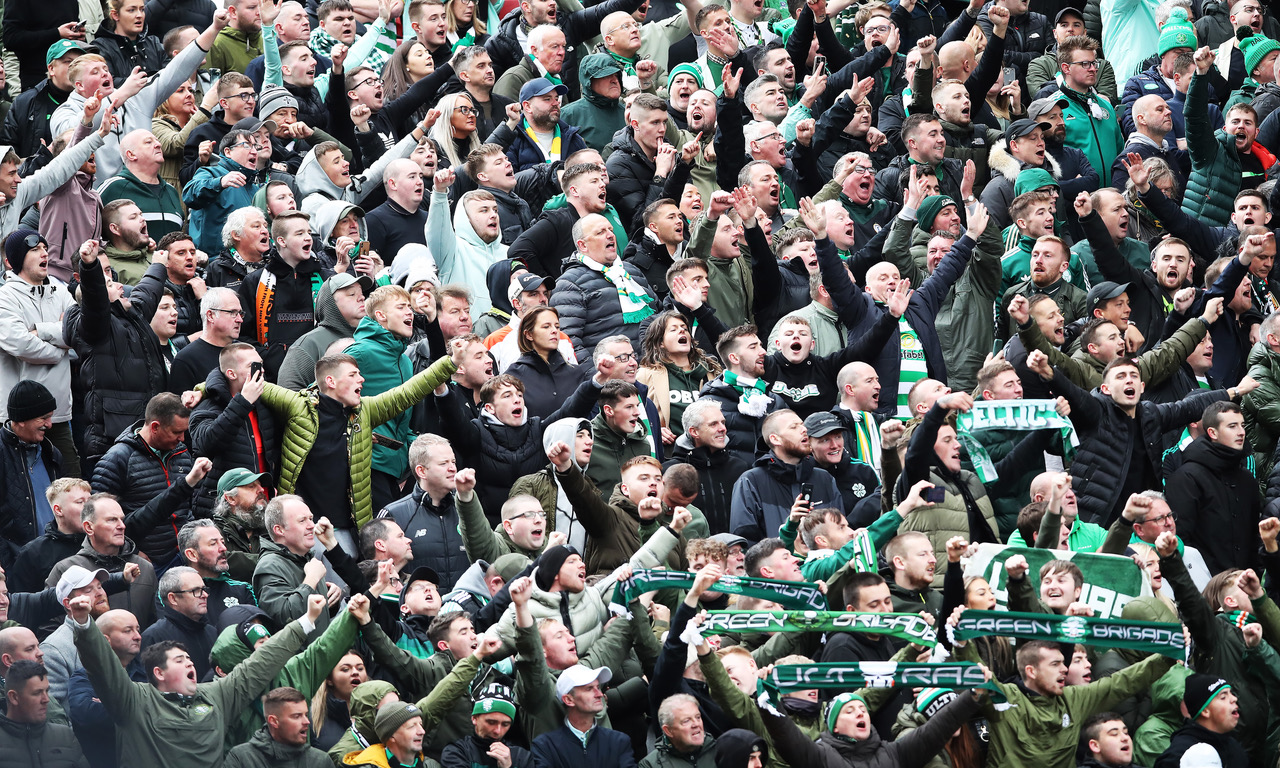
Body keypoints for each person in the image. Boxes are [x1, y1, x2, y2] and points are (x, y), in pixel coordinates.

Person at [71, 584, 326, 768]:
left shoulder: (216, 695)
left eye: (189, 658)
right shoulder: (134, 700)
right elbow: (104, 668)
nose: (189, 662)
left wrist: (305, 622)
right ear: (159, 673)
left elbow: (261, 663)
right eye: (179, 660)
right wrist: (83, 625)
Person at [89, 393, 195, 566]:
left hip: (185, 555)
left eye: (184, 432)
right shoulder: (117, 459)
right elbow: (97, 519)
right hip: (146, 562)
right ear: (155, 427)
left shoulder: (181, 452)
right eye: (176, 432)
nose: (182, 438)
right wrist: (130, 551)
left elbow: (188, 507)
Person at [1166, 401, 1263, 575]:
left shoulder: (1247, 479)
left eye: (1242, 425)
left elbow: (1253, 538)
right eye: (1232, 426)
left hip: (1244, 581)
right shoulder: (1187, 478)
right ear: (1212, 432)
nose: (1241, 432)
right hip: (1204, 583)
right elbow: (1180, 539)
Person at [728, 409, 842, 543]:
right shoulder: (751, 482)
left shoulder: (824, 479)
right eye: (794, 427)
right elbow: (744, 542)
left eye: (802, 425)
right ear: (775, 439)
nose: (804, 430)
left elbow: (840, 532)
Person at [45, 497, 157, 628]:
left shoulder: (144, 567)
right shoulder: (66, 569)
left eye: (122, 519)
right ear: (89, 527)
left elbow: (156, 621)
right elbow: (49, 626)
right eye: (112, 520)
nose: (122, 526)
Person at [377, 434, 469, 591]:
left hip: (465, 604)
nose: (453, 468)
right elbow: (377, 572)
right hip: (415, 604)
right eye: (443, 463)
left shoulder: (468, 508)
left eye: (453, 462)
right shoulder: (393, 514)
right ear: (421, 471)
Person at [0, 381, 63, 570]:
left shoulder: (51, 453)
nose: (49, 425)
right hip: (15, 566)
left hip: (54, 561)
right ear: (21, 419)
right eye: (43, 418)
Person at [277, 273, 373, 390]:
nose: (362, 298)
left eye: (362, 293)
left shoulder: (374, 337)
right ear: (330, 303)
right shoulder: (310, 344)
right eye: (352, 294)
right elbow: (288, 390)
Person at [0, 660, 87, 767]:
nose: (46, 699)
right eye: (37, 693)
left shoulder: (65, 737)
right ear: (14, 697)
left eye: (47, 691)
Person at [139, 565, 219, 680]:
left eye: (204, 589)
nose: (205, 595)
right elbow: (144, 684)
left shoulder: (212, 632)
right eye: (195, 591)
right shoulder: (153, 637)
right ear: (173, 598)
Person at [223, 686, 332, 768]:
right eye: (297, 716)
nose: (307, 721)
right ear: (274, 721)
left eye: (306, 715)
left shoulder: (321, 761)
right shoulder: (241, 758)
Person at [1156, 674, 1249, 768]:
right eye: (1223, 697)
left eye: (1231, 693)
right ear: (1205, 711)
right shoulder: (1181, 755)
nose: (1234, 699)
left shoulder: (1234, 747)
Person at [176, 519, 256, 625]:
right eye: (213, 544)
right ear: (192, 555)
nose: (223, 548)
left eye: (222, 542)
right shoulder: (175, 594)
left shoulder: (242, 590)